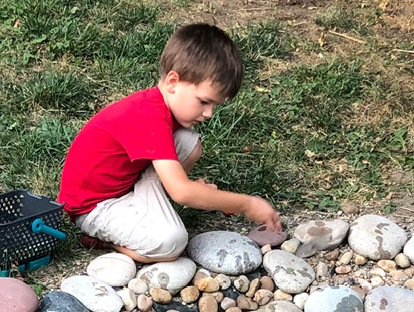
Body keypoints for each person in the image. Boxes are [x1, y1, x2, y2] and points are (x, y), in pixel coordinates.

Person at [57, 23, 281, 264]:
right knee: (170, 244)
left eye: (215, 105)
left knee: (189, 142)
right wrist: (246, 204)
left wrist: (195, 192)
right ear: (173, 81)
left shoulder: (159, 107)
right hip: (92, 207)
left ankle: (151, 202)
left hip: (125, 184)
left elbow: (182, 186)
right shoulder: (149, 118)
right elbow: (182, 193)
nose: (209, 114)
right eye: (204, 102)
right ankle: (101, 238)